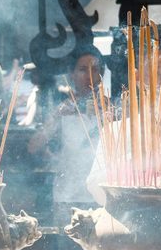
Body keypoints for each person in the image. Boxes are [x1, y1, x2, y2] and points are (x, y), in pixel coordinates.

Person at [27, 45, 106, 224]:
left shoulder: (113, 109)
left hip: (102, 196)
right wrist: (56, 117)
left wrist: (111, 116)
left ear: (101, 74)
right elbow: (33, 146)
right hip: (67, 196)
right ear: (72, 74)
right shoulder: (63, 110)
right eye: (83, 70)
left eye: (95, 69)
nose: (89, 76)